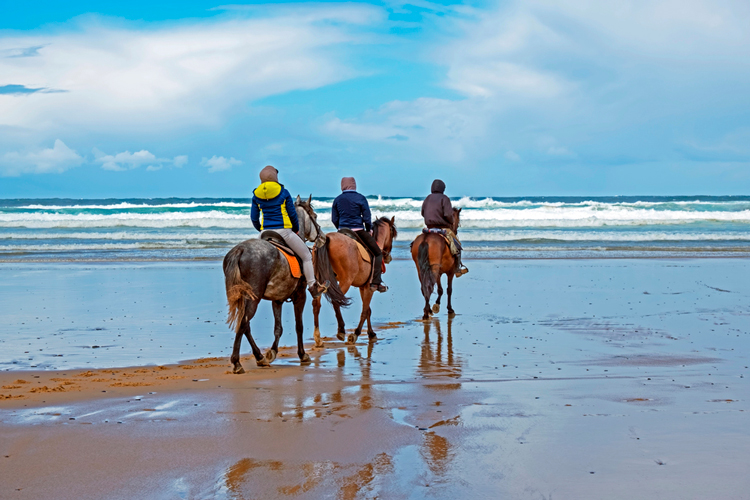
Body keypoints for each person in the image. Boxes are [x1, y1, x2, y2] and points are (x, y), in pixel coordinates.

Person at [251, 165, 328, 297]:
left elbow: (254, 217)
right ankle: (313, 287)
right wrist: (296, 230)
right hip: (283, 231)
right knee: (306, 256)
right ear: (275, 177)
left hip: (265, 232)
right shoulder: (283, 192)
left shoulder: (256, 194)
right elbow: (292, 214)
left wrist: (261, 229)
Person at [331, 177, 388, 293]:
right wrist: (369, 229)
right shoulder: (361, 198)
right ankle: (376, 282)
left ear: (342, 185)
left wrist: (340, 228)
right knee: (377, 253)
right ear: (354, 185)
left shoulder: (337, 199)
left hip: (342, 231)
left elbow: (334, 218)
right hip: (358, 232)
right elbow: (367, 216)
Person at [421, 179, 468, 276]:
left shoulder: (427, 198)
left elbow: (422, 213)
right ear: (442, 188)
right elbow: (447, 215)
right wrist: (451, 221)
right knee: (457, 245)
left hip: (428, 228)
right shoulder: (445, 198)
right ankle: (458, 268)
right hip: (442, 228)